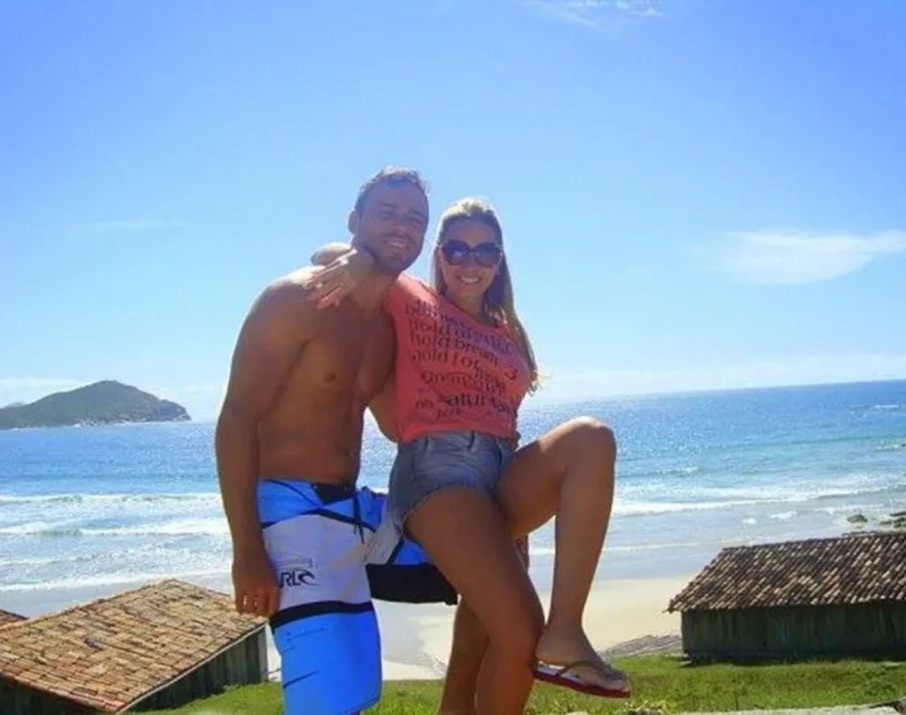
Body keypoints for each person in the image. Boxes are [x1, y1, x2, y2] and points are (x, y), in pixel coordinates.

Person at [306, 197, 630, 715]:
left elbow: (504, 415)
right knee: (521, 633)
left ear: (499, 261)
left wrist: (515, 521)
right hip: (439, 474)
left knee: (591, 439)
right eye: (456, 249)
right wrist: (361, 260)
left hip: (499, 472)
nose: (469, 262)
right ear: (438, 256)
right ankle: (553, 638)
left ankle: (567, 628)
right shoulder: (410, 299)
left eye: (484, 251)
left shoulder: (507, 332)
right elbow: (326, 255)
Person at [216, 167, 465, 715]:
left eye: (415, 219)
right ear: (355, 221)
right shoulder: (295, 301)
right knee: (329, 700)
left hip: (352, 512)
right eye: (387, 213)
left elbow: (398, 427)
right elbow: (235, 421)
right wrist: (247, 552)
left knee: (487, 559)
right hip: (289, 518)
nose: (402, 226)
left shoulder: (387, 325)